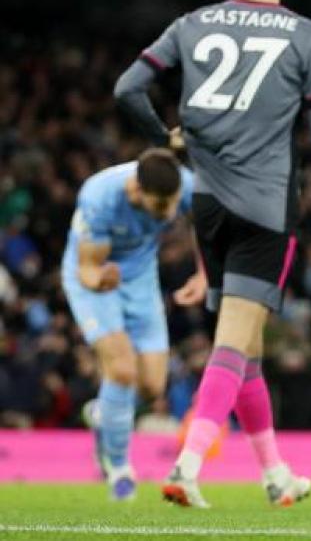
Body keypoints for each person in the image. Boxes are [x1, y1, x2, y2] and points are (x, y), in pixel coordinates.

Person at [114, 0, 311, 508]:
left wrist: (165, 139)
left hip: (208, 207)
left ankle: (277, 476)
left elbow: (128, 88)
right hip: (267, 209)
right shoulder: (306, 35)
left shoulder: (191, 24)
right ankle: (188, 465)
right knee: (232, 341)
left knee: (245, 351)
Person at [65, 149, 200, 501]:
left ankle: (103, 415)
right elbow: (88, 268)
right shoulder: (99, 196)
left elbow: (207, 220)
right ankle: (119, 470)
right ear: (135, 191)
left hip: (141, 281)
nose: (169, 214)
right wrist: (99, 280)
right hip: (96, 281)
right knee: (121, 369)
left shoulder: (182, 184)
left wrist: (203, 273)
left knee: (153, 387)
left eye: (172, 205)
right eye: (160, 207)